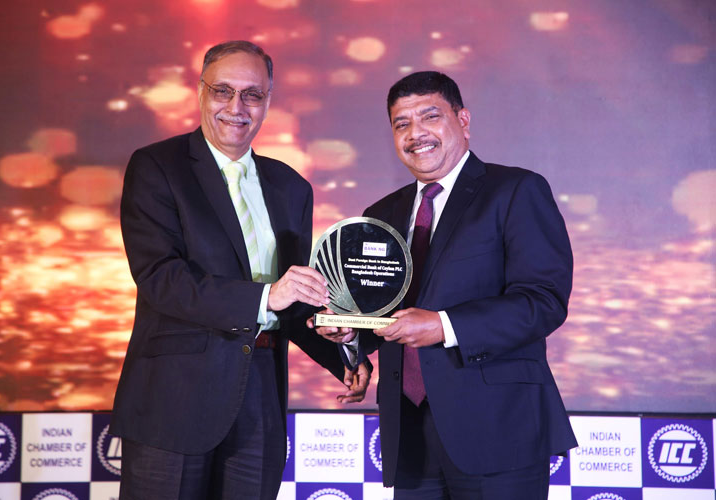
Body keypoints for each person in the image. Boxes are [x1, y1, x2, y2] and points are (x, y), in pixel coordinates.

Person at [110, 40, 368, 500]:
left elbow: (294, 301)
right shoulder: (157, 167)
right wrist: (268, 297)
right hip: (174, 397)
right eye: (222, 91)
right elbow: (161, 278)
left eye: (252, 94)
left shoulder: (291, 186)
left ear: (268, 100)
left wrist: (344, 350)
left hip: (261, 393)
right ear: (200, 91)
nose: (236, 107)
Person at [314, 71, 577, 499]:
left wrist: (443, 325)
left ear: (463, 120)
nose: (415, 133)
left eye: (430, 116)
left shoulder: (515, 190)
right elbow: (380, 313)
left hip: (499, 429)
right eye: (401, 123)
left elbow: (543, 301)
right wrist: (350, 334)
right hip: (408, 434)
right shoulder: (379, 214)